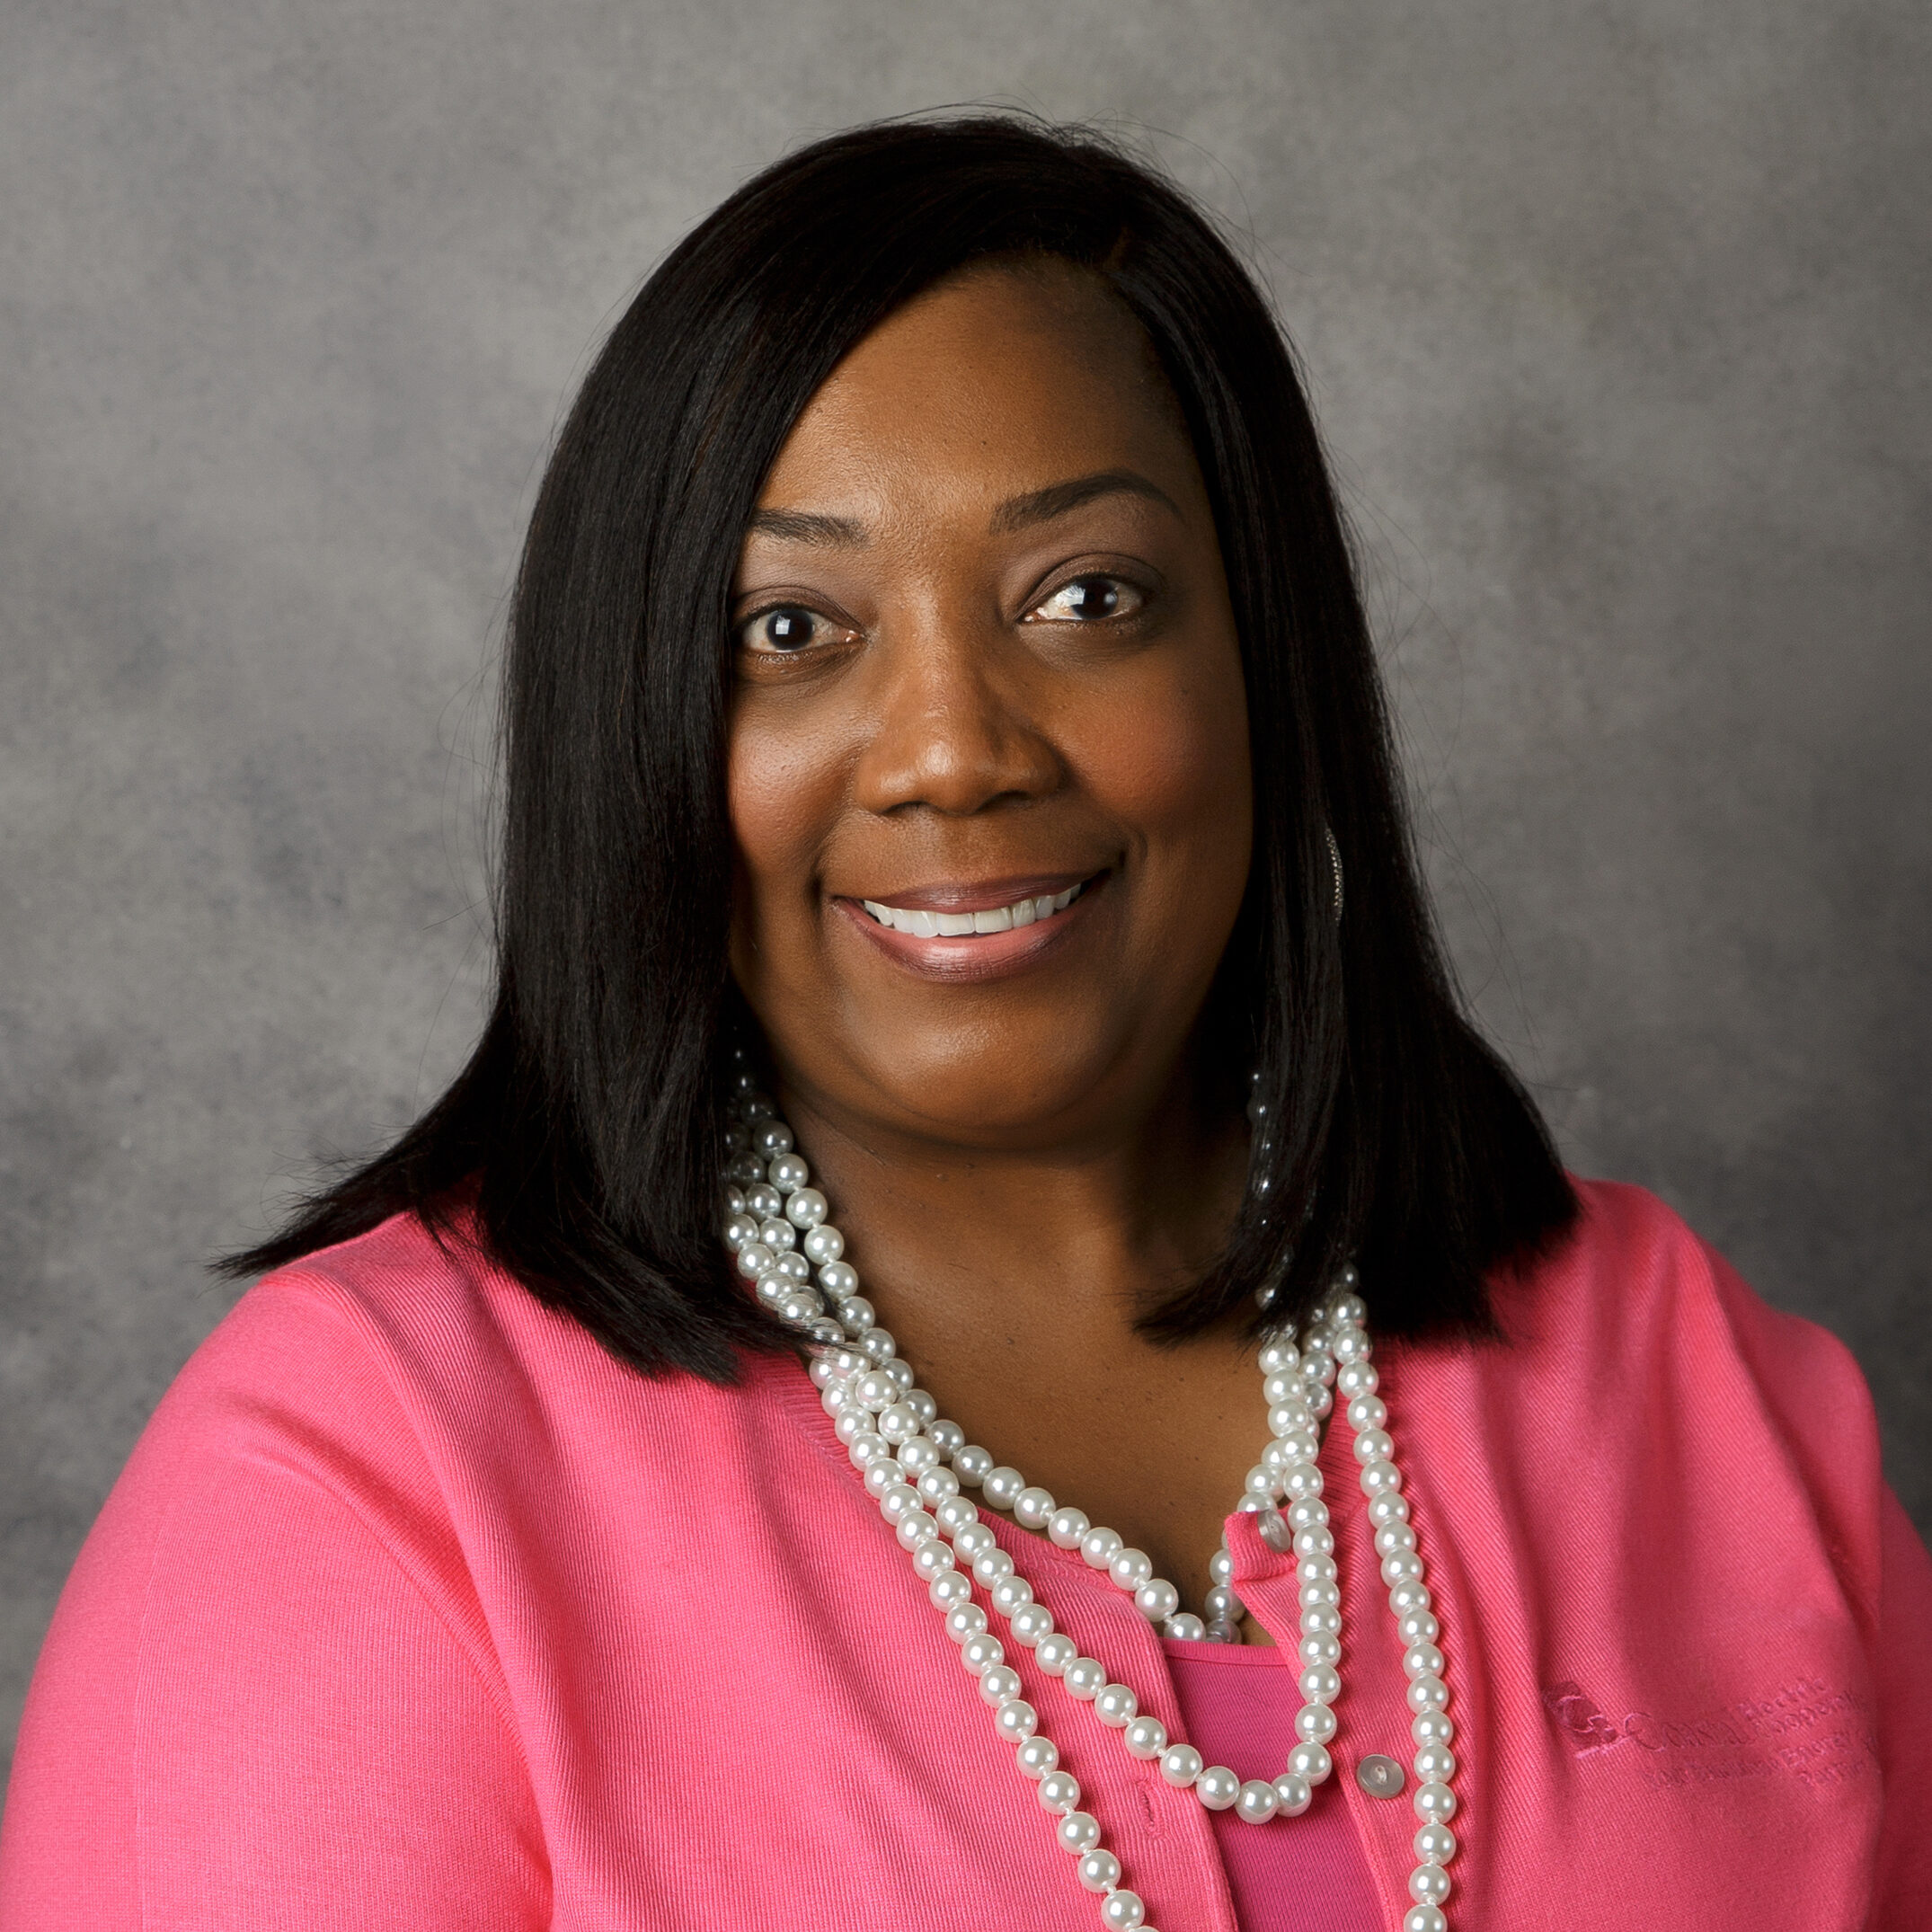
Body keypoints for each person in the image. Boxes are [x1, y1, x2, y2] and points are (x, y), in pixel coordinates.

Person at [2, 115, 1925, 1932]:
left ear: (1264, 660)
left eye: (1086, 595)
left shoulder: (1688, 1378)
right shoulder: (362, 1475)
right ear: (640, 733)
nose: (951, 752)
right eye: (788, 631)